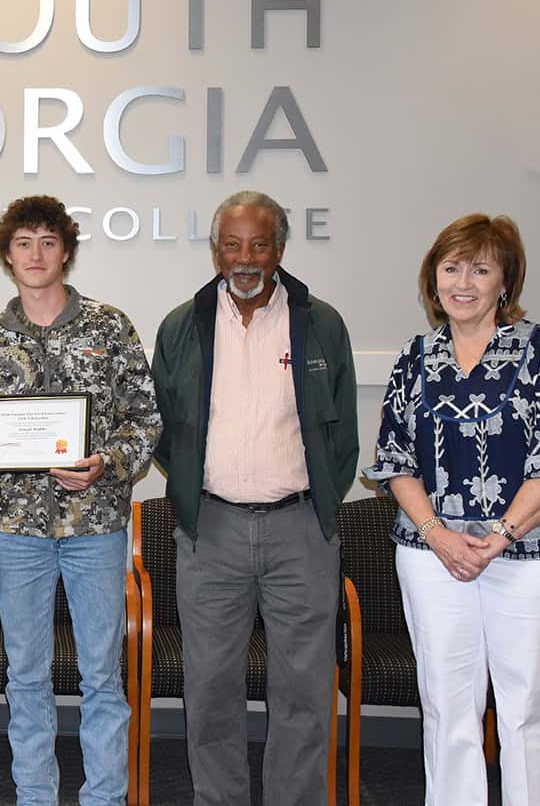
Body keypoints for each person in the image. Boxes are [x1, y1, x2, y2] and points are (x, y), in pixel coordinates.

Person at [364, 214, 540, 805]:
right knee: (447, 708)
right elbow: (394, 459)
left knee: (532, 712)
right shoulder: (416, 356)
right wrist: (438, 534)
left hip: (535, 555)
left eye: (481, 269)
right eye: (451, 267)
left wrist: (499, 537)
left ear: (504, 281)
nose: (463, 281)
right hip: (434, 557)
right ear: (432, 279)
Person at [0, 195, 162, 806]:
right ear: (7, 255)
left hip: (95, 527)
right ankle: (35, 796)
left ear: (65, 251)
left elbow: (145, 420)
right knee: (27, 677)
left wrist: (108, 463)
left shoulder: (109, 326)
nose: (35, 254)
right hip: (17, 532)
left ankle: (103, 798)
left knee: (101, 676)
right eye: (23, 243)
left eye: (48, 242)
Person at [151, 189, 358, 805]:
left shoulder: (320, 322)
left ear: (280, 249)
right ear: (216, 251)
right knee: (210, 687)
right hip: (210, 531)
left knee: (304, 689)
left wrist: (316, 504)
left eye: (259, 244)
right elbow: (162, 429)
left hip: (300, 531)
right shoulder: (182, 325)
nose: (246, 258)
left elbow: (342, 435)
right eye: (232, 244)